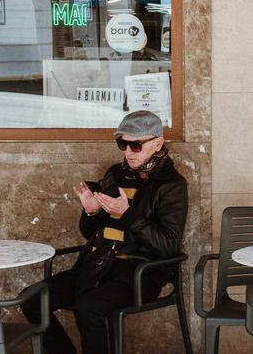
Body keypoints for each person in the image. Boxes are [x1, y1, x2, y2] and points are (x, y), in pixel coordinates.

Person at [21, 110, 188, 354]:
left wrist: (127, 213)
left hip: (138, 273)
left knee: (88, 308)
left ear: (157, 143)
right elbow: (91, 233)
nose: (128, 152)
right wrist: (91, 212)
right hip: (97, 264)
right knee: (31, 299)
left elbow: (168, 245)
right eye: (123, 144)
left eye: (136, 145)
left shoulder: (172, 185)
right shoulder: (116, 174)